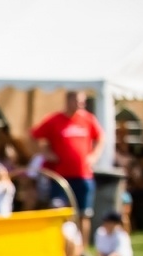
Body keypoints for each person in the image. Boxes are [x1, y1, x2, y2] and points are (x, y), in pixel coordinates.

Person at [32, 90, 103, 246]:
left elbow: (100, 138)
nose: (81, 105)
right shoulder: (55, 120)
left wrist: (94, 156)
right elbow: (34, 135)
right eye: (78, 101)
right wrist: (46, 153)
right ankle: (59, 245)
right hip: (61, 176)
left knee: (84, 213)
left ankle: (82, 248)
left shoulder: (88, 119)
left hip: (83, 175)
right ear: (68, 100)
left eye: (83, 102)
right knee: (59, 212)